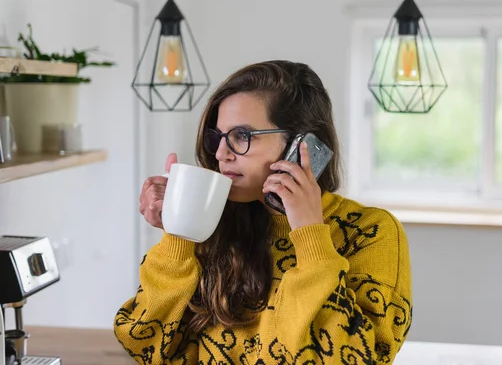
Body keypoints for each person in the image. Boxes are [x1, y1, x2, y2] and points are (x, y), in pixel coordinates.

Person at [114, 60, 412, 364]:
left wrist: (311, 240)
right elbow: (145, 346)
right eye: (218, 137)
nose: (220, 154)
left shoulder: (371, 232)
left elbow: (351, 358)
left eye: (242, 136)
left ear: (302, 146)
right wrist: (178, 235)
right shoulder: (210, 223)